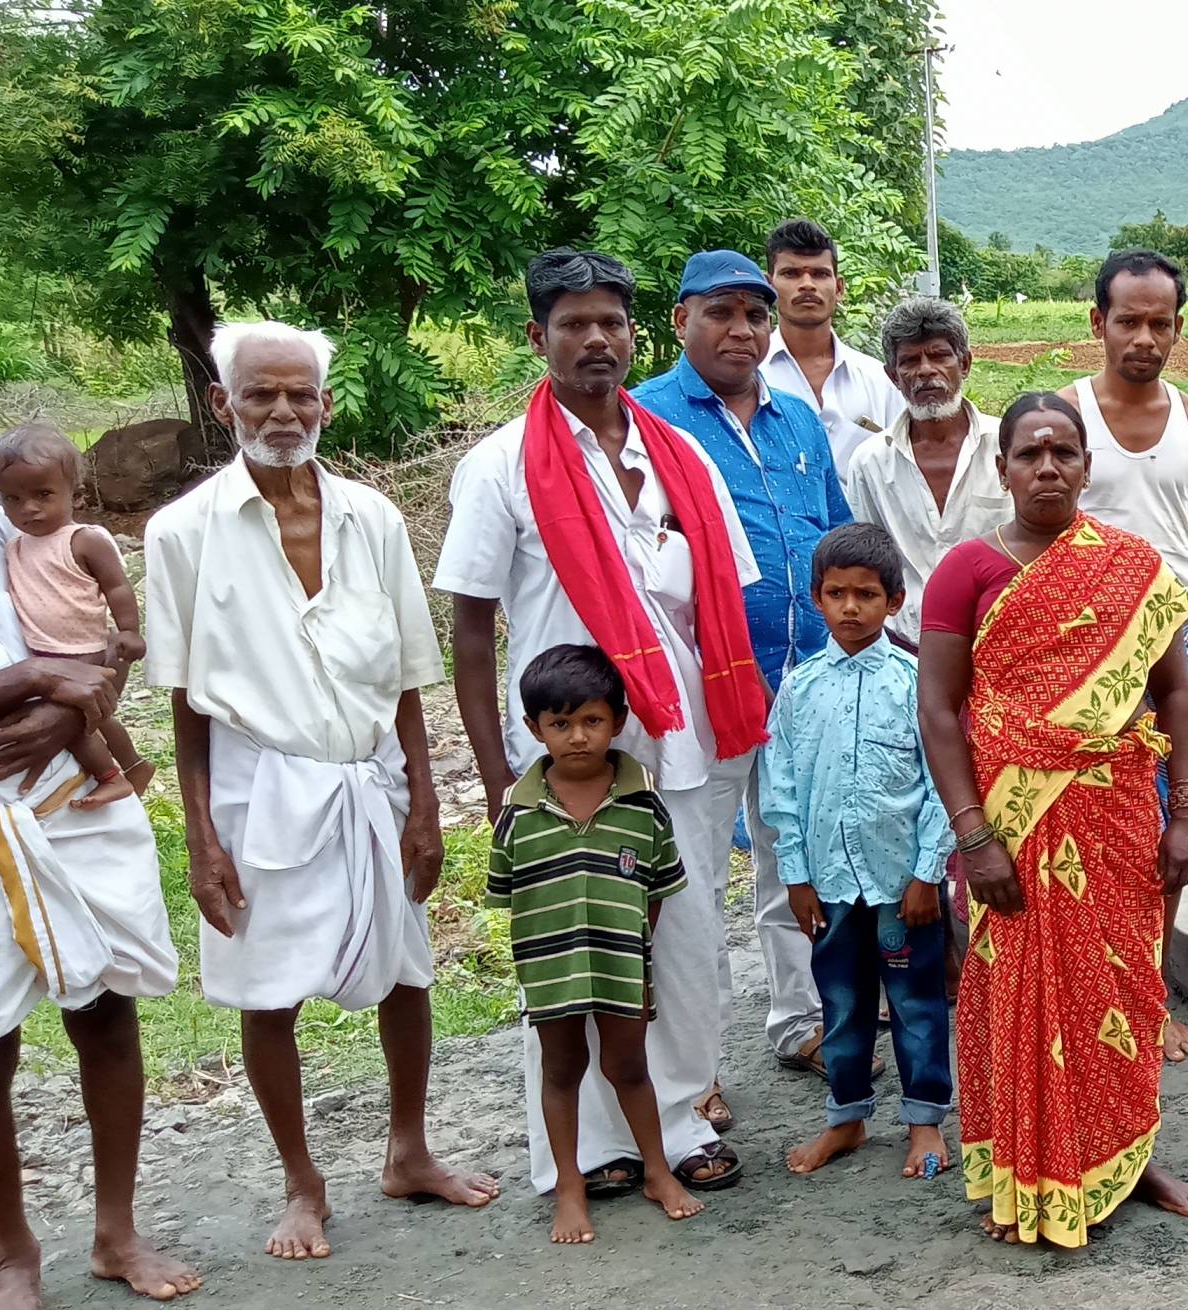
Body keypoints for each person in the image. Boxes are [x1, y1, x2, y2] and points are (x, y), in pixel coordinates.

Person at [144, 320, 500, 1261]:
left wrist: (424, 803)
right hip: (255, 787)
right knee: (268, 991)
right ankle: (302, 1183)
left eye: (300, 393)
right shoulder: (181, 534)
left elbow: (409, 676)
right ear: (223, 404)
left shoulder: (372, 519)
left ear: (326, 404)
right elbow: (183, 701)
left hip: (369, 779)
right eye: (260, 393)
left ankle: (408, 1150)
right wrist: (201, 841)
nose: (283, 411)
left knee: (406, 970)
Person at [434, 247, 763, 1196]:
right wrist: (500, 775)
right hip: (567, 750)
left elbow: (717, 606)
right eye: (573, 324)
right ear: (538, 338)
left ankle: (680, 1113)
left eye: (610, 323)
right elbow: (469, 625)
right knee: (578, 948)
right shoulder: (501, 465)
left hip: (684, 739)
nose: (595, 340)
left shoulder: (678, 455)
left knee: (686, 927)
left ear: (634, 334)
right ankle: (589, 1148)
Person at [0, 340, 199, 1309]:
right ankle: (14, 1257)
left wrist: (72, 707)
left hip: (69, 799)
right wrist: (30, 681)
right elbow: (37, 666)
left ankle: (117, 1231)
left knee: (107, 1012)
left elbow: (96, 641)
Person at [916, 391, 1188, 1246]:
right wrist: (975, 837)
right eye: (1029, 454)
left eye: (1065, 453)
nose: (1048, 467)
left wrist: (1184, 813)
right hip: (1010, 817)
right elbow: (939, 711)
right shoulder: (965, 570)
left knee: (1120, 985)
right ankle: (1028, 1166)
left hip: (1115, 813)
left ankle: (1130, 1154)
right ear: (1001, 468)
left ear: (1087, 465)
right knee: (1019, 994)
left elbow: (1176, 692)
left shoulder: (1132, 566)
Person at [632, 247, 848, 1091]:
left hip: (803, 677)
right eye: (720, 312)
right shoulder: (647, 417)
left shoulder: (797, 420)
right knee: (689, 878)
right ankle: (696, 1067)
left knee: (793, 852)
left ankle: (801, 1018)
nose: (741, 329)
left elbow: (833, 530)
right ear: (680, 319)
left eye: (755, 316)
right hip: (704, 684)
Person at [1063, 249, 1188, 1063]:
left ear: (1179, 328)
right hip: (1089, 649)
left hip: (1187, 643)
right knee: (1093, 827)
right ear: (1097, 322)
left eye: (1160, 323)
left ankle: (1150, 996)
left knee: (1180, 824)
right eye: (1128, 321)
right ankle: (1088, 996)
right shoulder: (1060, 419)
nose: (1144, 337)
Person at [486, 646, 705, 1244]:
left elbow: (658, 888)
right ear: (534, 729)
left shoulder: (643, 804)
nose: (577, 737)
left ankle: (657, 1171)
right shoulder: (518, 813)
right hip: (551, 971)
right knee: (561, 1071)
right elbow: (510, 896)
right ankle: (570, 1185)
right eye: (559, 724)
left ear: (618, 721)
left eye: (592, 721)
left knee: (629, 1067)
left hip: (622, 967)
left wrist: (631, 948)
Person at [761, 524, 957, 1179]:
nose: (851, 607)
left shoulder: (916, 683)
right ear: (816, 598)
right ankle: (845, 1119)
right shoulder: (801, 689)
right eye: (836, 593)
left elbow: (941, 781)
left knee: (916, 1004)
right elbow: (781, 783)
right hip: (830, 886)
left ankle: (925, 1124)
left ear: (895, 600)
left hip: (904, 885)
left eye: (866, 594)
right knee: (841, 1007)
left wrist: (928, 872)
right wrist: (795, 874)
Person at [0, 424, 149, 805]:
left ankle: (110, 777)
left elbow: (117, 587)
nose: (29, 508)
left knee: (70, 725)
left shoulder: (83, 539)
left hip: (82, 650)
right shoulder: (14, 545)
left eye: (43, 495)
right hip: (45, 654)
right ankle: (134, 765)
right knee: (99, 718)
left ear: (75, 492)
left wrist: (128, 630)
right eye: (13, 499)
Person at [842, 296, 1010, 647]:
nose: (925, 370)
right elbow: (869, 562)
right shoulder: (871, 462)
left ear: (964, 364)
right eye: (909, 361)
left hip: (1002, 644)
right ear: (892, 376)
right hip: (905, 647)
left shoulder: (1008, 447)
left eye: (939, 356)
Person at [763, 218, 905, 471]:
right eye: (791, 273)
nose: (807, 284)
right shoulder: (749, 379)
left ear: (839, 288)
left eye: (820, 274)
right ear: (768, 285)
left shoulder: (879, 381)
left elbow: (902, 466)